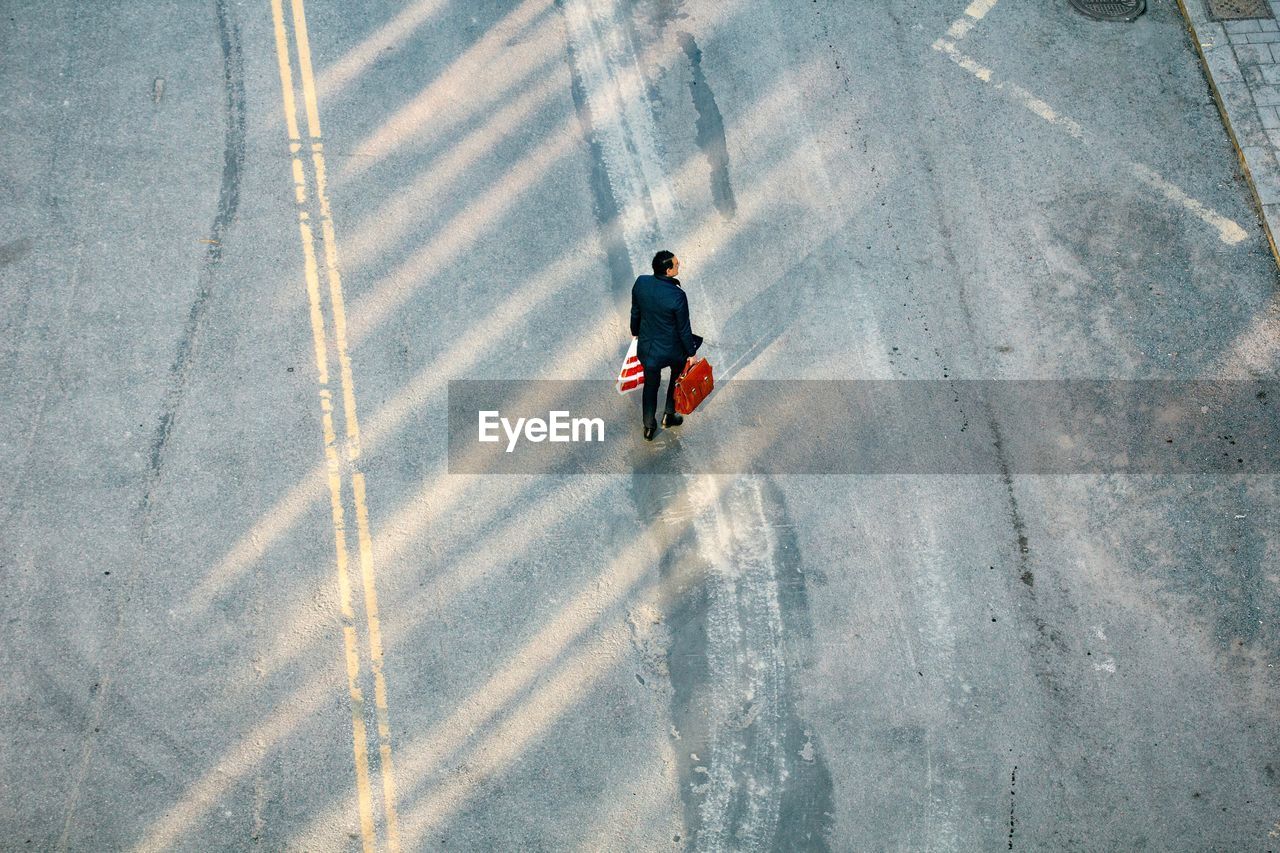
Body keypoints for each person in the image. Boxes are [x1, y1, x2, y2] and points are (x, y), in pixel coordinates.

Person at [630, 250, 703, 441]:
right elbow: (684, 328)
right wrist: (691, 353)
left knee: (650, 386)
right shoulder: (677, 295)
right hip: (673, 350)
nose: (680, 266)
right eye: (677, 264)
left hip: (649, 349)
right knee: (675, 379)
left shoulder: (641, 283)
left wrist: (635, 332)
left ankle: (648, 427)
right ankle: (668, 415)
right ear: (669, 271)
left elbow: (635, 312)